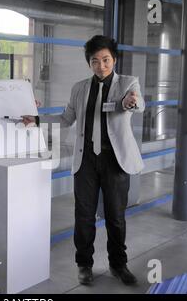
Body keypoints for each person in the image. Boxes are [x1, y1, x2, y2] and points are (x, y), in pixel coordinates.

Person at [23, 35, 145, 286]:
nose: (101, 66)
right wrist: (36, 120)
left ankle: (118, 264)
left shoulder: (128, 83)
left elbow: (137, 103)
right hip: (86, 160)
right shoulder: (80, 88)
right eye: (95, 61)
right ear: (89, 63)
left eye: (106, 60)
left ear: (114, 59)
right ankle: (84, 265)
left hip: (115, 160)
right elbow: (66, 119)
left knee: (115, 217)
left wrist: (131, 103)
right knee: (84, 216)